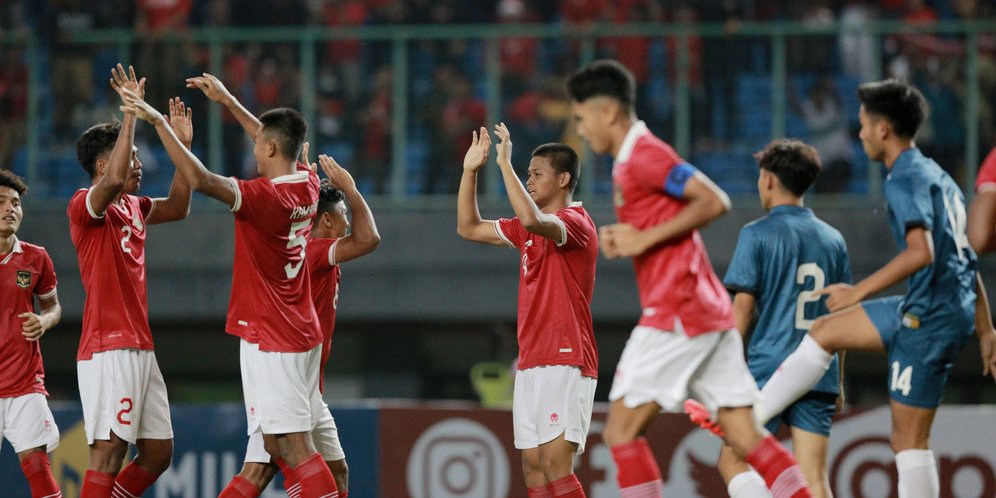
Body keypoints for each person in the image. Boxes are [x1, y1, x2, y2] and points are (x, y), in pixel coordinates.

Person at [566, 59, 812, 498]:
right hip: (704, 311)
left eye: (582, 118)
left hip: (676, 310)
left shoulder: (643, 154)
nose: (581, 130)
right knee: (746, 436)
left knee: (620, 433)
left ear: (608, 112)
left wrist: (642, 240)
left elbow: (713, 201)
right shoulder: (630, 160)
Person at [746, 79, 996, 498]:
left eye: (863, 124)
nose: (858, 133)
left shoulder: (905, 179)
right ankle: (752, 418)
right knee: (824, 330)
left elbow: (923, 252)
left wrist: (857, 291)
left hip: (931, 318)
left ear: (883, 129)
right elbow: (963, 256)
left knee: (908, 441)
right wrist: (986, 329)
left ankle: (748, 420)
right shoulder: (937, 174)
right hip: (932, 305)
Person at [120, 74, 340, 497]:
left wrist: (158, 123)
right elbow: (269, 134)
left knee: (293, 447)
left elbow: (201, 180)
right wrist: (228, 100)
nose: (254, 147)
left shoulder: (265, 198)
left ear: (271, 149)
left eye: (260, 144)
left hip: (274, 336)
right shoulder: (309, 185)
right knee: (265, 456)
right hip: (293, 328)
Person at [689, 139, 850, 498]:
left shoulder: (757, 233)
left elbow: (743, 308)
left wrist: (723, 368)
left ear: (770, 180)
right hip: (819, 371)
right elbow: (841, 316)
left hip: (769, 367)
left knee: (733, 461)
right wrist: (837, 378)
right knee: (814, 477)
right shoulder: (833, 239)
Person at [226, 153, 380, 498]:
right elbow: (369, 239)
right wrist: (351, 190)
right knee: (287, 462)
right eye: (342, 217)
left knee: (319, 470)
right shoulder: (314, 251)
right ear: (325, 222)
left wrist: (306, 183)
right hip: (287, 375)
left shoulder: (309, 249)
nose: (347, 224)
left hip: (306, 381)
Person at [71, 64, 193, 498]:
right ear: (103, 163)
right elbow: (116, 179)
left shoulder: (135, 208)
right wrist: (130, 114)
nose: (141, 163)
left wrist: (181, 143)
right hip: (108, 346)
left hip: (139, 344)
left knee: (159, 452)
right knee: (108, 453)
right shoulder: (84, 205)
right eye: (134, 154)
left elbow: (179, 206)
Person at [457, 123, 598, 498]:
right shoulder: (526, 230)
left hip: (566, 357)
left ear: (564, 178)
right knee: (533, 468)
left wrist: (504, 164)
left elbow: (536, 218)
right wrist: (471, 171)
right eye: (527, 174)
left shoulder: (576, 224)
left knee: (555, 465)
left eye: (537, 174)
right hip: (533, 359)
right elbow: (468, 228)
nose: (530, 180)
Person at [0, 170, 63, 498]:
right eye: (1, 202)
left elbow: (53, 307)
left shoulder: (36, 258)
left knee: (38, 466)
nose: (10, 208)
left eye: (16, 203)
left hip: (25, 382)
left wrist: (45, 321)